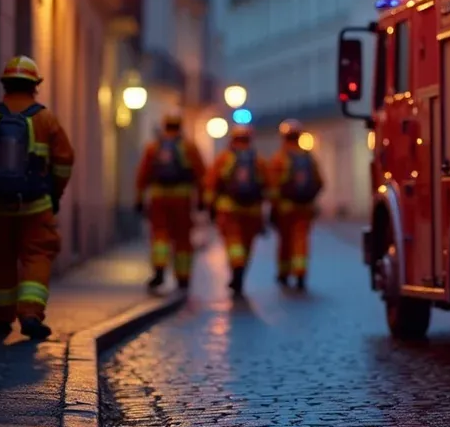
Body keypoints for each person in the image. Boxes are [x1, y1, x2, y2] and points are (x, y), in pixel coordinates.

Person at [0, 55, 74, 339]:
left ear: (5, 85)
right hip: (36, 206)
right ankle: (31, 314)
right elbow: (64, 162)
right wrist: (55, 193)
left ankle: (1, 319)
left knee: (1, 258)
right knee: (37, 257)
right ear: (34, 85)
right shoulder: (46, 119)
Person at [135, 114, 207, 291]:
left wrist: (139, 199)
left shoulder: (153, 148)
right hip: (182, 199)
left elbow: (142, 175)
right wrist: (202, 199)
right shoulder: (189, 148)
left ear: (164, 125)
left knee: (159, 235)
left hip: (158, 198)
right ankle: (183, 278)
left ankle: (159, 271)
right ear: (180, 126)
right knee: (183, 238)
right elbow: (201, 175)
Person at [202, 124, 269, 297]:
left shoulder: (223, 159)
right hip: (252, 211)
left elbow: (211, 184)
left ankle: (236, 268)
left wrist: (209, 206)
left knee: (233, 242)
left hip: (228, 209)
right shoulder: (259, 161)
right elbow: (269, 186)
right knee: (246, 245)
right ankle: (240, 271)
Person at [268, 119, 324, 290]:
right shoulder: (308, 157)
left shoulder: (279, 159)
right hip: (305, 208)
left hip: (285, 209)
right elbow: (320, 182)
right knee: (301, 240)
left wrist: (274, 206)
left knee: (285, 241)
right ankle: (300, 272)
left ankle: (284, 274)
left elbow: (272, 186)